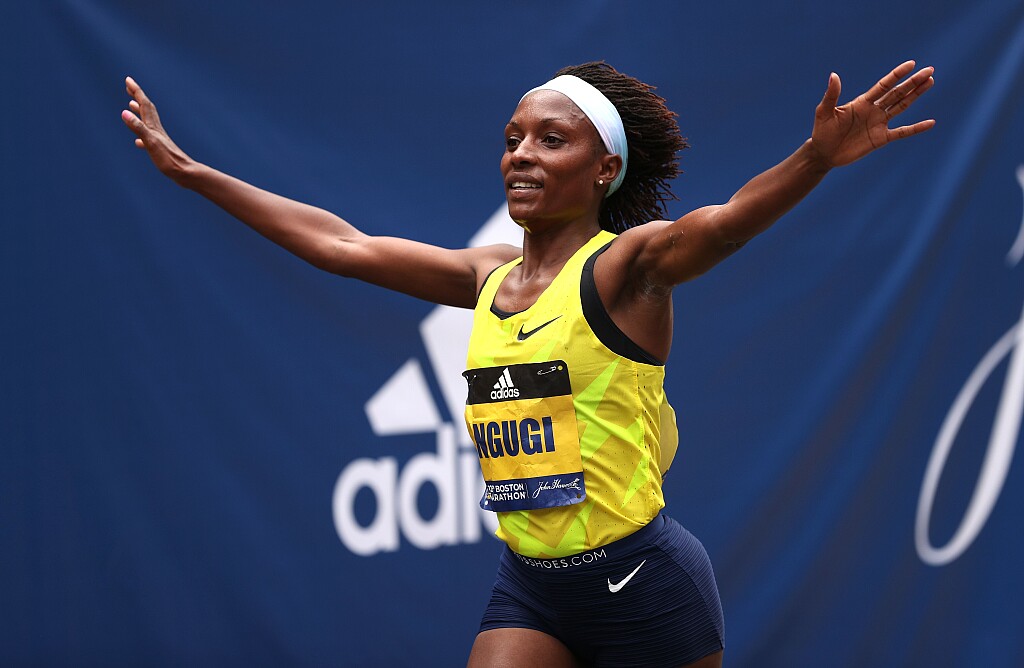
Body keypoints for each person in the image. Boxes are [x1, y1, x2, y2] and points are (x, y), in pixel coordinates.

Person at [122, 59, 934, 667]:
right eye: (513, 140)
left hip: (643, 585)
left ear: (605, 169)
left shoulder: (627, 268)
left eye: (552, 139)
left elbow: (723, 225)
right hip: (534, 586)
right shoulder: (486, 277)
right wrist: (194, 174)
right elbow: (343, 246)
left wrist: (814, 159)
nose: (522, 154)